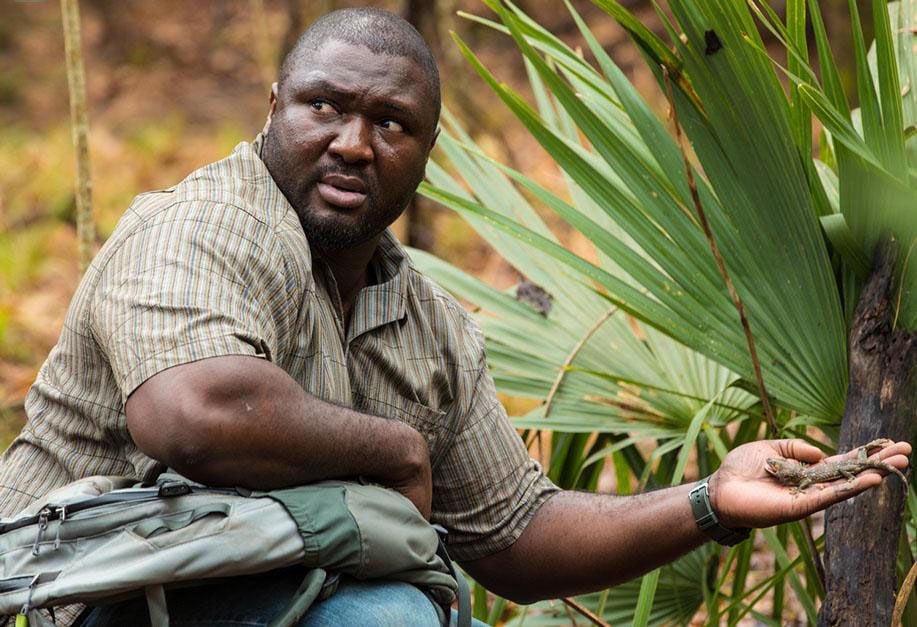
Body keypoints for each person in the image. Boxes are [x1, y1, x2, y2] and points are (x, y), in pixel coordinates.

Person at [0, 7, 910, 627]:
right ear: (274, 108)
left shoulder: (424, 320)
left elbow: (513, 533)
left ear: (425, 154)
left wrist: (711, 500)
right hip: (80, 594)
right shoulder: (204, 227)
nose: (353, 143)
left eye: (391, 124)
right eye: (325, 106)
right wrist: (395, 450)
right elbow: (190, 414)